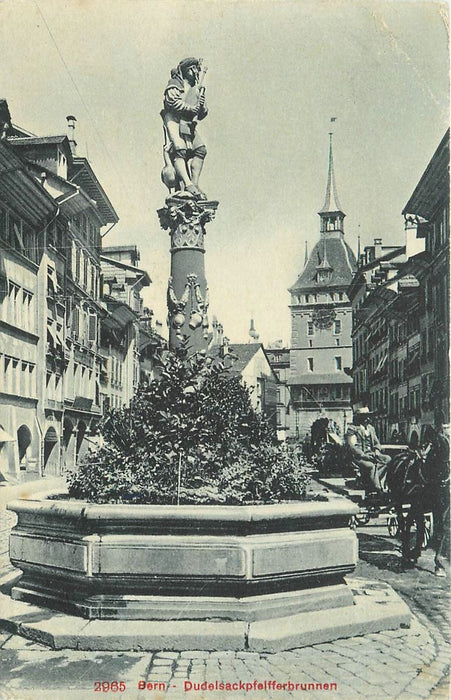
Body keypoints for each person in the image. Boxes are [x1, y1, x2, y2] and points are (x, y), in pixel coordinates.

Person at [161, 57, 208, 199]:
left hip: (188, 123)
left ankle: (194, 184)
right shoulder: (175, 84)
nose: (195, 72)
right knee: (179, 150)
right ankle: (187, 184)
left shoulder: (196, 89)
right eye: (192, 68)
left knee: (200, 150)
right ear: (185, 70)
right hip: (174, 119)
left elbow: (201, 114)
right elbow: (172, 101)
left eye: (196, 69)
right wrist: (191, 108)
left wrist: (202, 106)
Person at [345, 407, 390, 493]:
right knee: (370, 466)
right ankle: (377, 488)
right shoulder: (352, 429)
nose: (368, 418)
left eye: (368, 416)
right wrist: (363, 455)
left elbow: (377, 443)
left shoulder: (371, 428)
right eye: (365, 416)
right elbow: (352, 446)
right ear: (359, 417)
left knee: (387, 459)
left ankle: (369, 479)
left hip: (372, 454)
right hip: (359, 457)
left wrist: (377, 450)